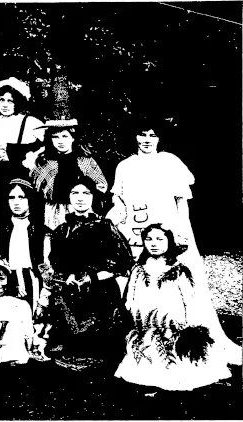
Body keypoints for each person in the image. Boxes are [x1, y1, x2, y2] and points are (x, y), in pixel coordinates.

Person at [109, 118, 241, 365]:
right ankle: (147, 349)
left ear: (159, 138)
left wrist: (180, 234)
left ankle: (187, 345)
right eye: (142, 134)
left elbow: (182, 205)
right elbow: (120, 203)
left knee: (178, 287)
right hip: (139, 235)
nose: (146, 140)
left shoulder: (170, 162)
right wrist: (114, 223)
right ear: (134, 136)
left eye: (152, 135)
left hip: (170, 232)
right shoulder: (125, 166)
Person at [114, 224, 233, 391]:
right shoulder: (138, 269)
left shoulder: (178, 270)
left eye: (159, 239)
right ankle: (148, 378)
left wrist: (189, 322)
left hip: (172, 324)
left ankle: (177, 380)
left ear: (169, 242)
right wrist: (130, 311)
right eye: (149, 239)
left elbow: (189, 299)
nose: (154, 244)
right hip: (146, 324)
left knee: (175, 356)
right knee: (146, 350)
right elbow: (130, 296)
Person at [43, 176, 134, 371]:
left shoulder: (105, 227)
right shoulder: (61, 231)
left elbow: (123, 263)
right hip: (71, 293)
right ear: (68, 197)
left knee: (100, 352)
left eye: (86, 193)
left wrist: (93, 277)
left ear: (93, 197)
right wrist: (67, 277)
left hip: (100, 293)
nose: (80, 198)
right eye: (75, 193)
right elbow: (57, 262)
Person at [0, 77, 46, 227]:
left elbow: (48, 145)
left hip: (22, 176)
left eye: (10, 101)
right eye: (1, 100)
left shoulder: (30, 122)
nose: (5, 104)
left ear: (18, 102)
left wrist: (32, 156)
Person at [0, 179, 51, 320]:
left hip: (33, 285)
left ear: (30, 200)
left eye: (21, 197)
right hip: (5, 284)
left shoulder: (42, 232)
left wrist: (43, 299)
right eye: (11, 197)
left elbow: (47, 268)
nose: (16, 202)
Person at [31, 122, 109, 231]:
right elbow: (36, 189)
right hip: (54, 211)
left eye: (64, 136)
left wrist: (89, 198)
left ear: (72, 138)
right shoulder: (45, 162)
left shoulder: (85, 161)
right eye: (55, 137)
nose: (60, 141)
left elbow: (101, 185)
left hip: (82, 210)